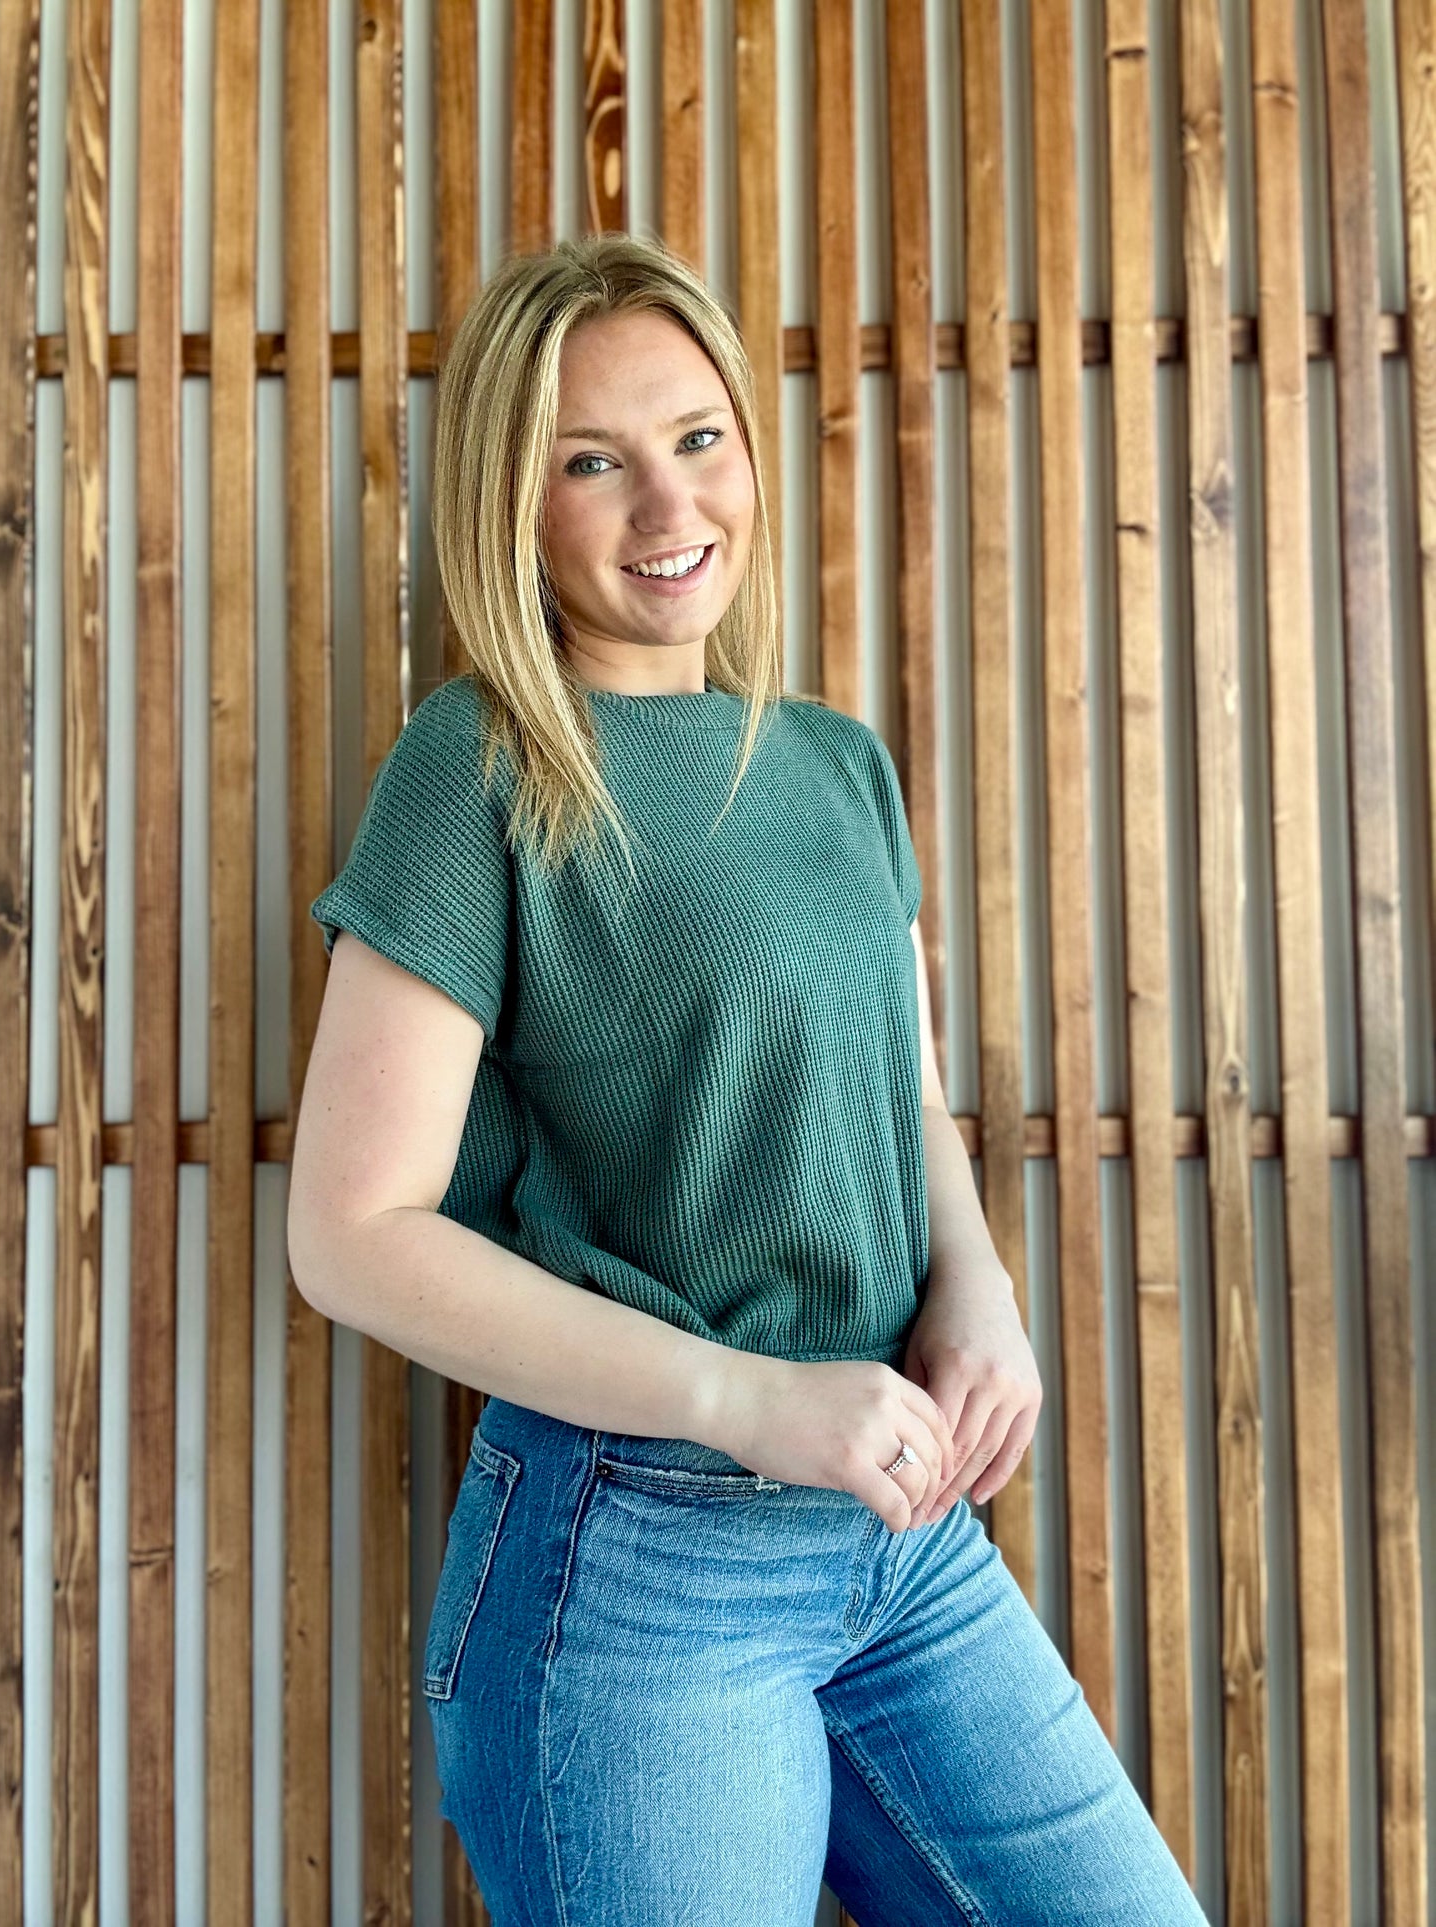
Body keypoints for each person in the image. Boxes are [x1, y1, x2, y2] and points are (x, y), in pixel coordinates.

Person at [286, 233, 1210, 1926]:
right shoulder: (477, 766)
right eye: (591, 462)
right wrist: (743, 1402)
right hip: (633, 1565)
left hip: (899, 1536)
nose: (668, 504)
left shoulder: (835, 763)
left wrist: (979, 1293)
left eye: (697, 436)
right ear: (510, 503)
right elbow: (352, 1234)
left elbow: (894, 1096)